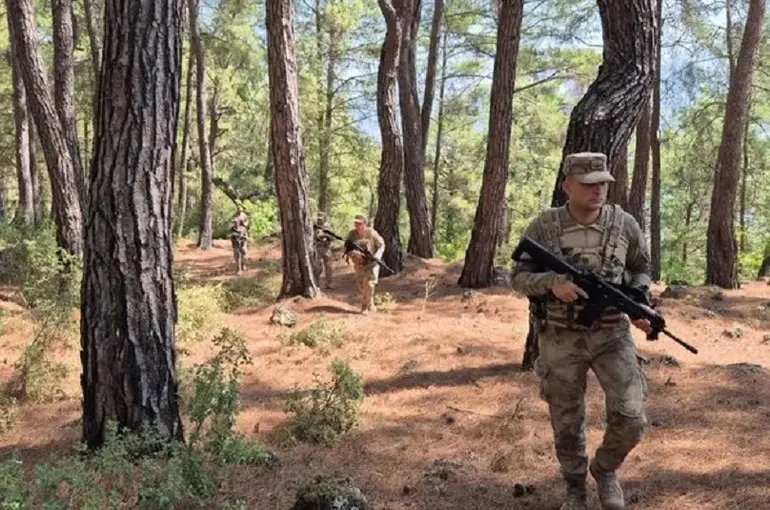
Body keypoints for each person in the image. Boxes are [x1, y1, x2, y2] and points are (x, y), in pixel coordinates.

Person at [511, 152, 653, 510]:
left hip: (612, 334)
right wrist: (553, 283)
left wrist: (636, 300)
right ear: (567, 187)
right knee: (566, 420)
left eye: (604, 183)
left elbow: (641, 269)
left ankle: (605, 471)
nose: (598, 190)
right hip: (560, 336)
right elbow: (518, 278)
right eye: (589, 184)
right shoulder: (544, 226)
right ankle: (575, 487)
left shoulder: (625, 225)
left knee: (631, 417)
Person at [344, 214, 385, 314]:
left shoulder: (371, 233)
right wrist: (353, 253)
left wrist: (377, 255)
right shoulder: (351, 235)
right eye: (356, 223)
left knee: (369, 284)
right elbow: (346, 248)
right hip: (359, 265)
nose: (357, 225)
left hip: (371, 263)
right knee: (361, 284)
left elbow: (381, 245)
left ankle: (365, 307)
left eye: (360, 223)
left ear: (364, 224)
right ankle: (370, 304)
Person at [313, 212, 334, 289]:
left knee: (329, 267)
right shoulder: (314, 226)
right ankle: (316, 284)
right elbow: (310, 237)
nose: (320, 219)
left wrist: (326, 235)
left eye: (321, 218)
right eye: (318, 218)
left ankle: (329, 283)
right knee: (317, 267)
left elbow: (333, 238)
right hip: (317, 248)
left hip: (326, 248)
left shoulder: (328, 227)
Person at [230, 206, 249, 273]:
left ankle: (244, 264)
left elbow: (246, 224)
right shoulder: (232, 228)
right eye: (234, 222)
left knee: (244, 253)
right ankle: (238, 269)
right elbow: (231, 236)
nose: (236, 222)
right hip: (236, 243)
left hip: (242, 241)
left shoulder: (244, 216)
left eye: (237, 222)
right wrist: (233, 238)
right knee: (237, 255)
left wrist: (244, 237)